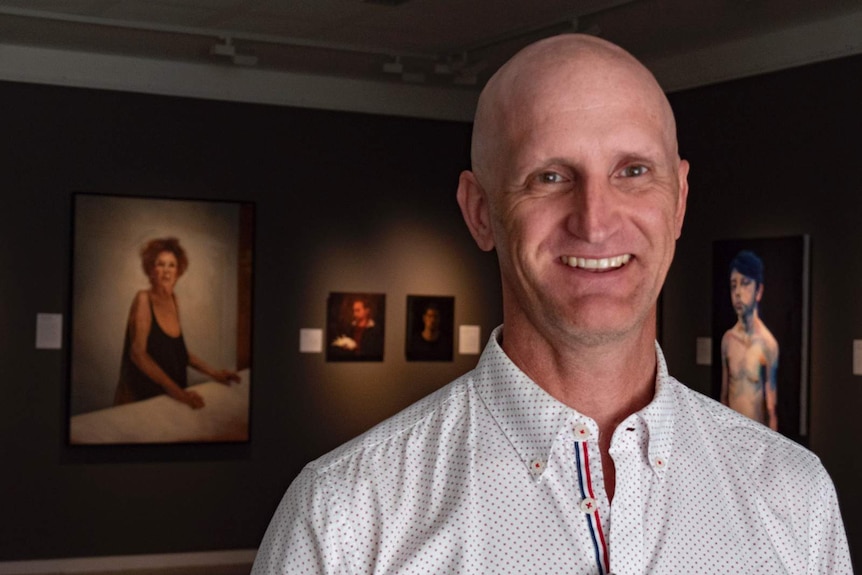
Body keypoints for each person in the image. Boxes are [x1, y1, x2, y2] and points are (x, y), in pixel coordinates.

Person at [252, 35, 850, 573]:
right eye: (550, 177)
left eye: (633, 171)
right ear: (480, 210)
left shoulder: (792, 493)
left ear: (680, 200)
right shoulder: (348, 516)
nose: (595, 222)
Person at [114, 237, 240, 409]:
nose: (166, 271)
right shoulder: (143, 298)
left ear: (178, 271)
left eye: (171, 265)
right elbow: (138, 353)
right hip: (146, 400)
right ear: (151, 269)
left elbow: (179, 353)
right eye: (160, 264)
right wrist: (178, 393)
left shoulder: (173, 300)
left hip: (172, 399)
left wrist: (215, 374)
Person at [720, 250, 780, 430]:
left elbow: (771, 407)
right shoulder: (728, 340)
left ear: (758, 290)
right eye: (733, 285)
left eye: (745, 284)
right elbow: (723, 397)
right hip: (731, 436)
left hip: (757, 436)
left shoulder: (768, 344)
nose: (738, 292)